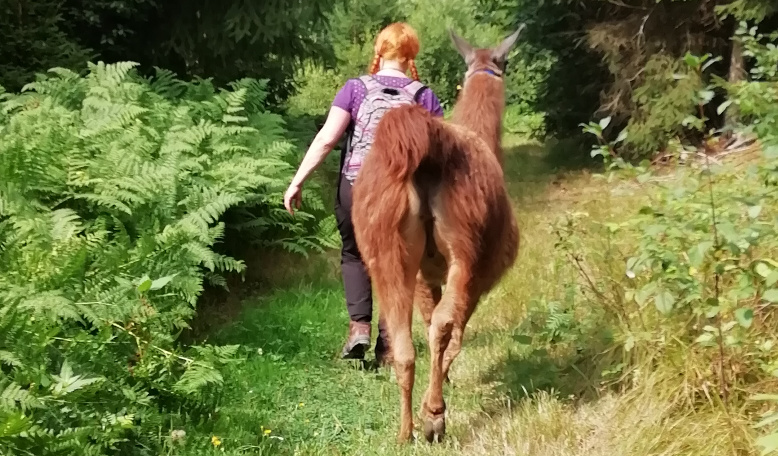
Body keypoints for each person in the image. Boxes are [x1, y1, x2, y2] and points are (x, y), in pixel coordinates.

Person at [283, 22, 444, 363]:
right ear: (411, 55)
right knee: (400, 264)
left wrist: (298, 180)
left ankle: (359, 328)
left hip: (356, 188)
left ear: (379, 51)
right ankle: (389, 341)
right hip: (405, 193)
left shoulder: (355, 89)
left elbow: (328, 138)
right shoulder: (423, 96)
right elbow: (440, 152)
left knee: (354, 254)